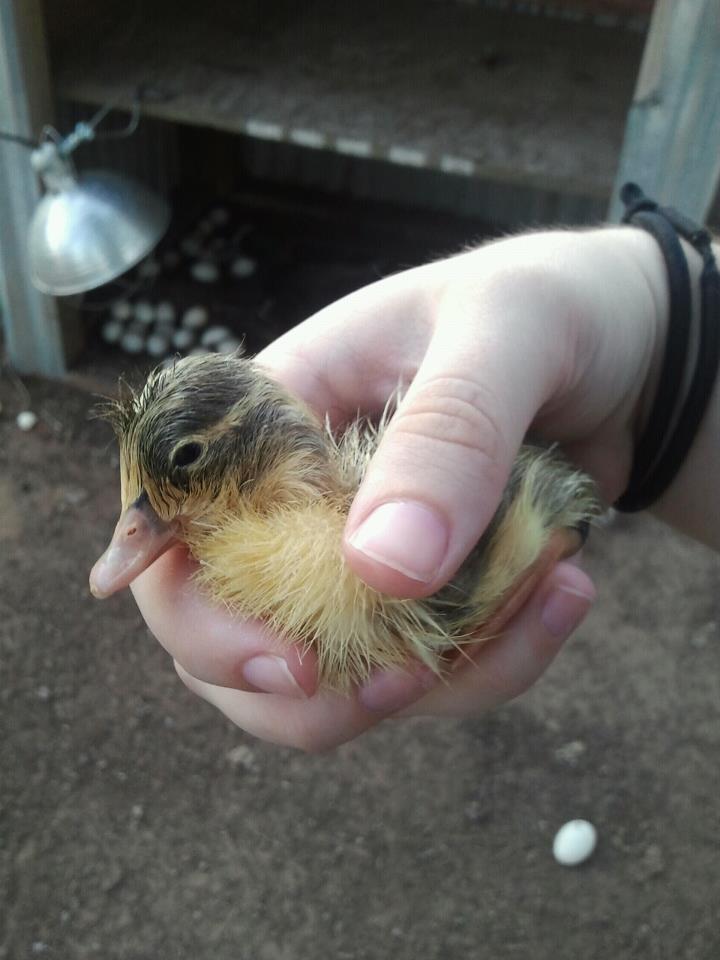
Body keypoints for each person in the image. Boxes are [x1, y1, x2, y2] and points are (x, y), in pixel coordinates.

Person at [129, 223, 720, 751]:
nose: (133, 523)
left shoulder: (334, 547)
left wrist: (655, 328)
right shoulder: (280, 539)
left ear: (250, 437)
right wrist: (656, 328)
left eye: (189, 458)